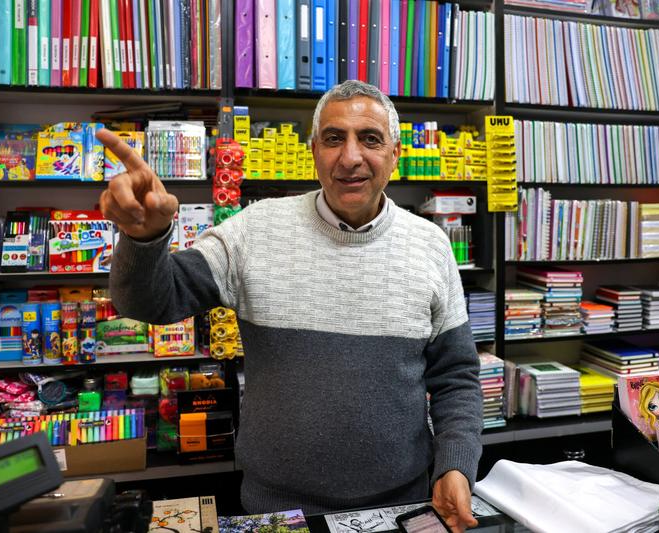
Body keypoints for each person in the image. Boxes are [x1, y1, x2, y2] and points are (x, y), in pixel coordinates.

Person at [97, 80, 483, 532]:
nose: (351, 157)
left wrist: (455, 465)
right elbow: (151, 300)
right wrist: (144, 239)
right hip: (278, 511)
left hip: (401, 506)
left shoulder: (431, 246)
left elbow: (456, 378)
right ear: (313, 149)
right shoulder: (254, 231)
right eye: (334, 138)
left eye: (370, 139)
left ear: (395, 155)